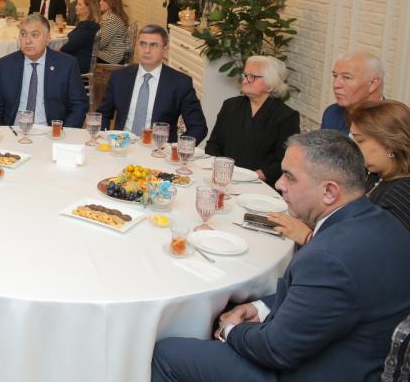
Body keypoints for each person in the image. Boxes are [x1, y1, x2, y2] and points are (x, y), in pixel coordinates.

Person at [151, 130, 410, 382]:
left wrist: (230, 331)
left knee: (167, 353)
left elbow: (276, 350)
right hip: (363, 356)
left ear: (329, 191)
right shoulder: (387, 225)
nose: (279, 184)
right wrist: (260, 307)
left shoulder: (328, 257)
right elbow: (324, 297)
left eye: (290, 177)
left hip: (313, 370)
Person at [270, 101, 410, 240]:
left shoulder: (401, 193)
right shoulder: (374, 175)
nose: (353, 146)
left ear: (389, 145)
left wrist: (308, 237)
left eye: (360, 140)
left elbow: (373, 248)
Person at [97, 24, 206, 142]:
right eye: (142, 44)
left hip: (158, 149)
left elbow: (198, 127)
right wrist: (104, 139)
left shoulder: (180, 83)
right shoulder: (119, 77)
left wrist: (178, 148)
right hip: (121, 145)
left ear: (165, 49)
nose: (147, 50)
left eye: (153, 45)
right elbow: (103, 114)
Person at [205, 56, 300, 185]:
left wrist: (252, 177)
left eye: (252, 77)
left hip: (261, 185)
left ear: (270, 85)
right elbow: (213, 145)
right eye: (245, 75)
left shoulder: (286, 117)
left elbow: (286, 161)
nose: (245, 80)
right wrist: (221, 171)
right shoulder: (230, 105)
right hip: (223, 178)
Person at [0, 14, 89, 129]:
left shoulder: (67, 65)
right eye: (23, 34)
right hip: (14, 130)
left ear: (47, 38)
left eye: (35, 35)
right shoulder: (6, 65)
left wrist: (62, 132)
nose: (27, 41)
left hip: (51, 132)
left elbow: (79, 106)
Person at [321, 51, 384, 134]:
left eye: (347, 77)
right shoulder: (331, 113)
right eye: (335, 76)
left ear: (373, 84)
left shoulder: (391, 125)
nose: (336, 84)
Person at [59, 0, 100, 74]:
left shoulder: (87, 27)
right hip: (79, 59)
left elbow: (70, 47)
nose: (76, 6)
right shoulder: (88, 24)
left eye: (79, 4)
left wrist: (57, 51)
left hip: (78, 62)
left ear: (88, 8)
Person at [96, 0, 130, 65]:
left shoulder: (111, 19)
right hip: (115, 55)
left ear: (111, 3)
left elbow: (100, 44)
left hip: (111, 57)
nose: (100, 3)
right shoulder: (115, 16)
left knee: (82, 54)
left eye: (103, 1)